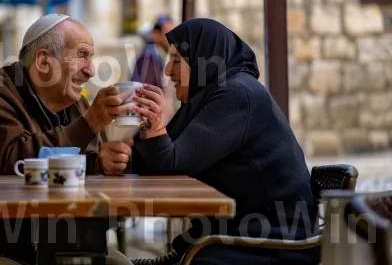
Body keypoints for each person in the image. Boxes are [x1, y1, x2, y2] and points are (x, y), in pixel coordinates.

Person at [101, 18, 319, 264]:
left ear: (200, 58)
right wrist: (118, 154)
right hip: (232, 240)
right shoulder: (214, 95)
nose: (167, 71)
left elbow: (172, 163)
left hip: (272, 247)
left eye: (175, 60)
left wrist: (155, 127)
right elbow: (157, 164)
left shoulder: (237, 94)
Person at [0, 14, 135, 265]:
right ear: (44, 61)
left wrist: (106, 160)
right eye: (82, 55)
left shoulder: (77, 103)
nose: (90, 70)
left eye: (91, 57)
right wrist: (89, 124)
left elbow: (84, 169)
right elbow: (15, 164)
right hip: (2, 242)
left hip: (67, 238)